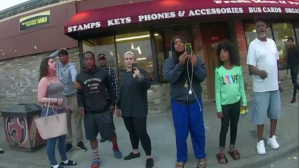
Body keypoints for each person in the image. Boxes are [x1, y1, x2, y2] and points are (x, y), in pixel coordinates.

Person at [162, 36, 207, 168]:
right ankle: (181, 157)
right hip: (178, 102)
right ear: (173, 47)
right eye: (176, 43)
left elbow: (203, 76)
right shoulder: (169, 62)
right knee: (181, 132)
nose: (179, 44)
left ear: (186, 44)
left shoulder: (196, 58)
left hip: (195, 100)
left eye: (181, 42)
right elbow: (169, 78)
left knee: (198, 130)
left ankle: (201, 156)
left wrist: (195, 66)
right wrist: (180, 65)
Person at [76, 51, 122, 168]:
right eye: (86, 59)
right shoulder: (80, 76)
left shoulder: (103, 73)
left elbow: (111, 89)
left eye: (91, 59)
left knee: (111, 132)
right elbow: (79, 94)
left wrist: (112, 103)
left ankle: (115, 147)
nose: (88, 61)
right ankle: (96, 158)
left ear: (94, 60)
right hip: (89, 112)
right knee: (92, 136)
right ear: (84, 61)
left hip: (103, 110)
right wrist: (80, 105)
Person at [247, 16, 281, 155]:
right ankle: (260, 141)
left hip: (274, 87)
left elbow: (276, 62)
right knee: (260, 116)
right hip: (261, 88)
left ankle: (272, 137)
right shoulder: (253, 45)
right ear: (256, 29)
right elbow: (250, 67)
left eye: (263, 25)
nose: (261, 27)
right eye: (259, 25)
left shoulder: (272, 42)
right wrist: (259, 72)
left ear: (266, 28)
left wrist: (277, 80)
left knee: (274, 114)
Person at [115, 51, 154, 168]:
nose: (129, 61)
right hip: (126, 108)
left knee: (141, 131)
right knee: (131, 131)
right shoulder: (123, 75)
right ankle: (135, 152)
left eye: (131, 58)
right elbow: (121, 92)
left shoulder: (141, 72)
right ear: (123, 61)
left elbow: (147, 85)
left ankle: (149, 157)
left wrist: (139, 76)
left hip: (139, 108)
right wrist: (118, 106)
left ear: (135, 60)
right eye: (126, 59)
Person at [37, 57, 77, 168]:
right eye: (52, 62)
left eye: (54, 61)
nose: (55, 63)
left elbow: (60, 94)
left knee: (62, 138)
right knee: (52, 140)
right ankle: (54, 165)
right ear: (46, 66)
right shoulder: (44, 80)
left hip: (60, 111)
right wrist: (56, 101)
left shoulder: (56, 78)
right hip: (50, 112)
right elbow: (40, 98)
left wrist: (64, 105)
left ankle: (64, 160)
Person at [215, 41, 247, 164]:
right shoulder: (219, 71)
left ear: (230, 53)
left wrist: (244, 103)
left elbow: (241, 87)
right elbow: (217, 91)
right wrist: (219, 109)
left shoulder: (238, 69)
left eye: (224, 51)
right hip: (224, 106)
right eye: (220, 52)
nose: (222, 54)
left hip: (236, 104)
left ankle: (232, 148)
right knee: (224, 128)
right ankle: (222, 152)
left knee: (234, 127)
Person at [49, 49, 86, 153]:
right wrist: (58, 51)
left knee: (77, 121)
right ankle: (68, 143)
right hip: (63, 97)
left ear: (67, 56)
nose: (60, 58)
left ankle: (79, 142)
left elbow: (73, 73)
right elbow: (48, 59)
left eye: (62, 56)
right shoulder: (58, 65)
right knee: (66, 121)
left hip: (73, 96)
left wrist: (74, 81)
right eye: (59, 56)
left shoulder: (71, 66)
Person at [98, 54, 120, 142]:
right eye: (101, 60)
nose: (102, 61)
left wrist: (116, 97)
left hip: (109, 98)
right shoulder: (96, 71)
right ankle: (105, 135)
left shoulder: (111, 70)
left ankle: (111, 135)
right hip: (99, 99)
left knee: (109, 117)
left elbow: (115, 84)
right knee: (102, 118)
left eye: (104, 59)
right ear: (98, 61)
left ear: (105, 60)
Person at [286, 37, 299, 103]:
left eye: (291, 41)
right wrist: (287, 67)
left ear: (293, 42)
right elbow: (288, 58)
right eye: (289, 41)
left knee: (294, 80)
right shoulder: (289, 50)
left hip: (296, 66)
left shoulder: (296, 49)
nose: (290, 42)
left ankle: (294, 97)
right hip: (291, 66)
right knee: (293, 82)